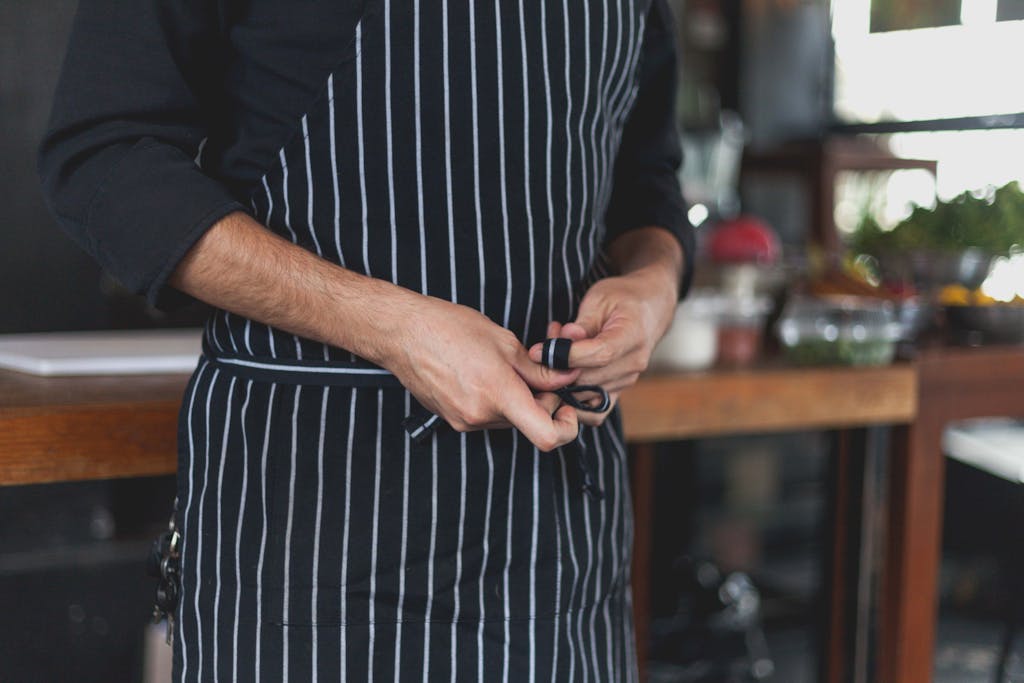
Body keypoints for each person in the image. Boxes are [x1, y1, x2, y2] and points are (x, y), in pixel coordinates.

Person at [39, 0, 695, 680]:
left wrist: (654, 288)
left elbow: (648, 187)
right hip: (313, 526)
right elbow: (104, 158)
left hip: (558, 540)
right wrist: (390, 327)